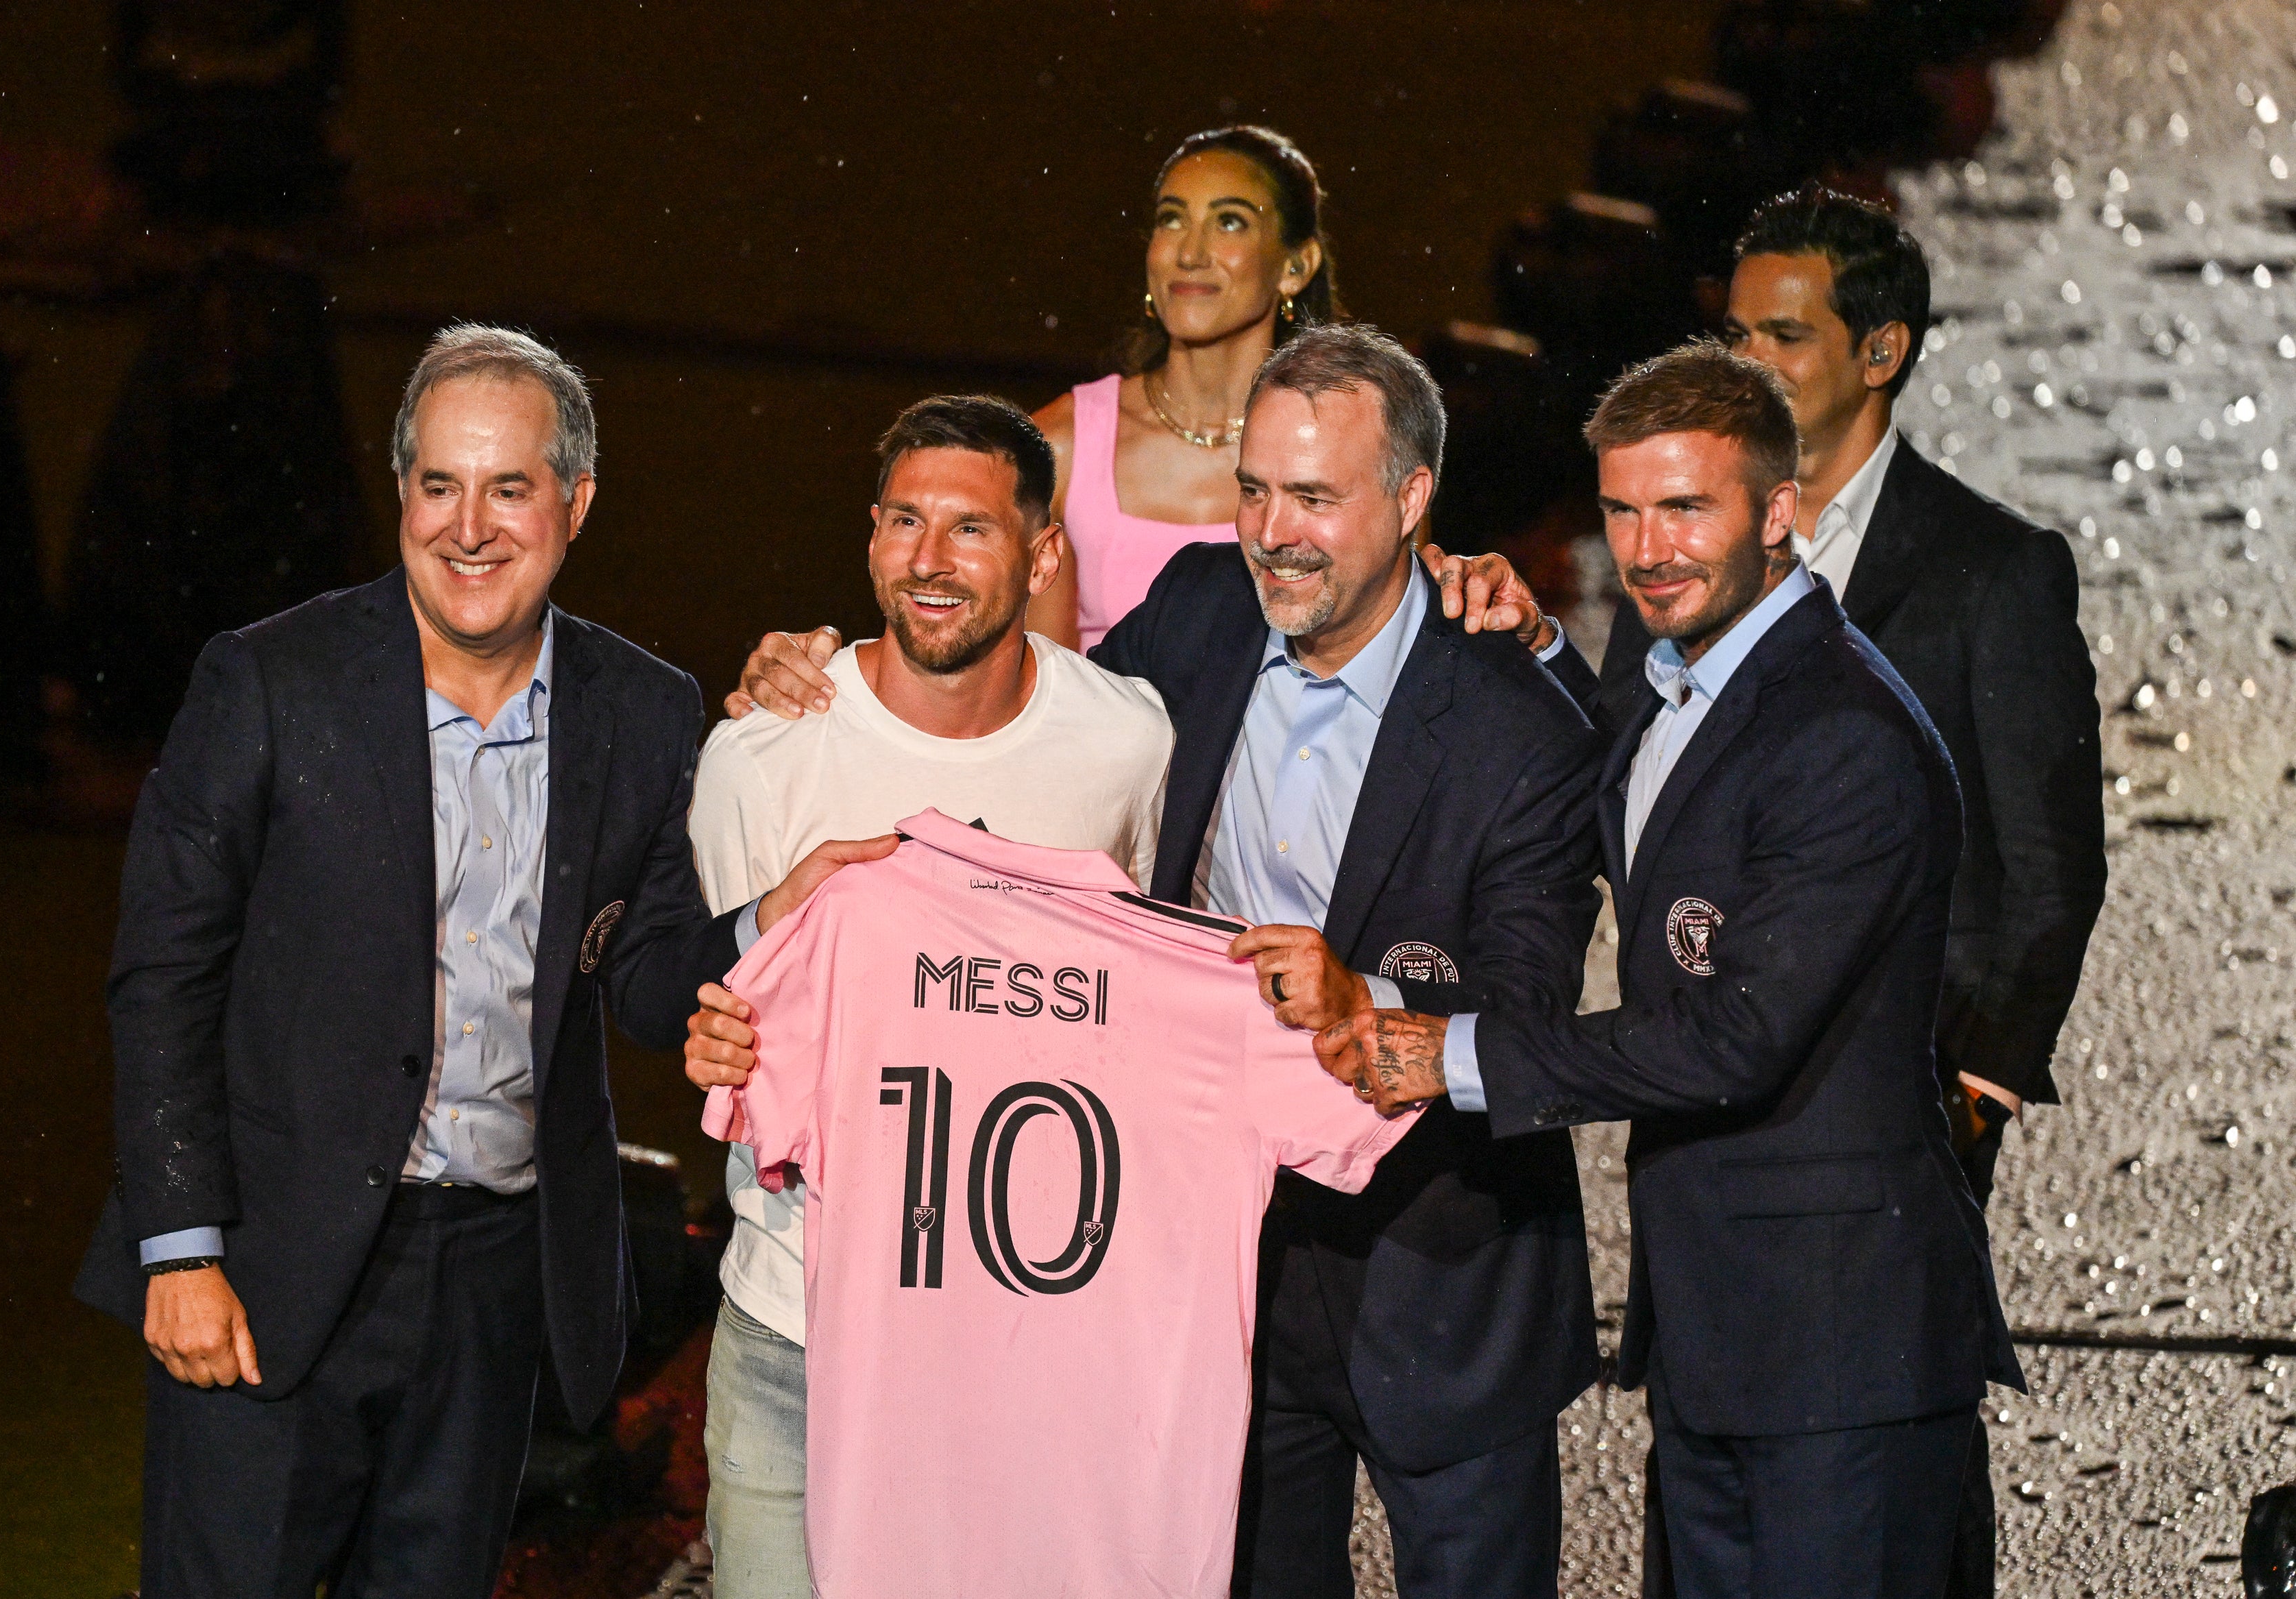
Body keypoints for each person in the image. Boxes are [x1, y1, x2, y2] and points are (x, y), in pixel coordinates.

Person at [718, 324, 1610, 1598]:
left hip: (1445, 1283)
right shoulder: (1199, 607)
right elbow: (1026, 748)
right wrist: (832, 678)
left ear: (1413, 499)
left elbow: (1525, 1014)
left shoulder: (1522, 726)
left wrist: (1366, 1002)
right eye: (1254, 487)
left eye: (1316, 495)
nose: (1274, 530)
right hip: (1219, 1281)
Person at [71, 325, 873, 1599]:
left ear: (577, 502)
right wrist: (181, 1248)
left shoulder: (645, 710)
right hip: (269, 1268)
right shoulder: (271, 681)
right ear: (402, 493)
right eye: (439, 484)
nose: (470, 527)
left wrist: (765, 922)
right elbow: (165, 971)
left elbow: (651, 970)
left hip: (496, 1283)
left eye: (509, 487)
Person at [1321, 341, 2023, 1599]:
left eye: (1688, 508)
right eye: (1625, 511)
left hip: (1843, 1356)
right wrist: (1534, 645)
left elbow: (1736, 1032)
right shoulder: (1668, 685)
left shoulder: (1843, 738)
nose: (1649, 550)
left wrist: (1456, 1050)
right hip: (1721, 1342)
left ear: (1779, 511)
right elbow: (1611, 802)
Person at [1589, 186, 2104, 1596]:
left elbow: (2049, 865)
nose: (1746, 354)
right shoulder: (1680, 552)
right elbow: (1613, 777)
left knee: (1874, 1444)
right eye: (1732, 326)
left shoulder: (1991, 569)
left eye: (1782, 331)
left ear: (1878, 352)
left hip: (1893, 1111)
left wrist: (1978, 1086)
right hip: (1713, 1148)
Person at [685, 395, 1173, 1599]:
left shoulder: (1128, 744)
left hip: (1023, 1348)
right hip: (797, 1332)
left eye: (971, 527)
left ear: (1045, 552)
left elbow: (1141, 995)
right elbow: (726, 1009)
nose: (930, 559)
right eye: (906, 521)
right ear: (868, 537)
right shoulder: (760, 757)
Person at [1025, 125, 1334, 652]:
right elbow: (1024, 702)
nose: (1189, 253)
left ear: (1295, 266)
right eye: (1172, 219)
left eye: (1229, 222)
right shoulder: (1058, 447)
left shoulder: (1349, 450)